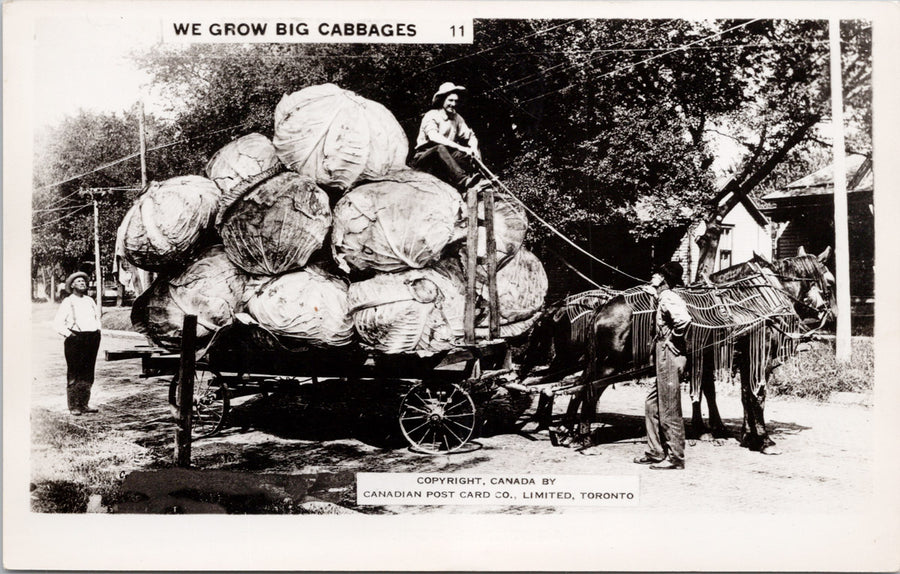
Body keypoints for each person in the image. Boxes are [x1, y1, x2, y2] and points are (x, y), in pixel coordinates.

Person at [634, 261, 692, 470]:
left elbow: (684, 320)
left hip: (669, 353)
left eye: (657, 274)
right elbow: (654, 293)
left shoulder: (669, 297)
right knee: (652, 404)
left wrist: (672, 339)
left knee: (669, 407)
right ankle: (655, 451)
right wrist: (653, 289)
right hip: (662, 353)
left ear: (664, 279)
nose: (654, 277)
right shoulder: (663, 295)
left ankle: (676, 457)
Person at [411, 82, 483, 192]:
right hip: (425, 157)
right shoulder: (432, 115)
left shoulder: (456, 117)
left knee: (469, 153)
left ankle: (480, 177)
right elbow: (433, 136)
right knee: (440, 148)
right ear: (442, 100)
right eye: (450, 100)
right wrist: (460, 147)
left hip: (446, 157)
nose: (453, 104)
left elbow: (471, 136)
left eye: (456, 101)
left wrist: (473, 148)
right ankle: (463, 180)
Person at [53, 271, 102, 415]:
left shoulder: (89, 300)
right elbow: (57, 323)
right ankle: (73, 406)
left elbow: (95, 318)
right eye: (79, 281)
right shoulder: (68, 301)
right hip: (75, 339)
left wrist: (98, 330)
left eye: (84, 281)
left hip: (92, 338)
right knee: (75, 372)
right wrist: (70, 335)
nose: (83, 283)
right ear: (72, 285)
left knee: (88, 372)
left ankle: (84, 404)